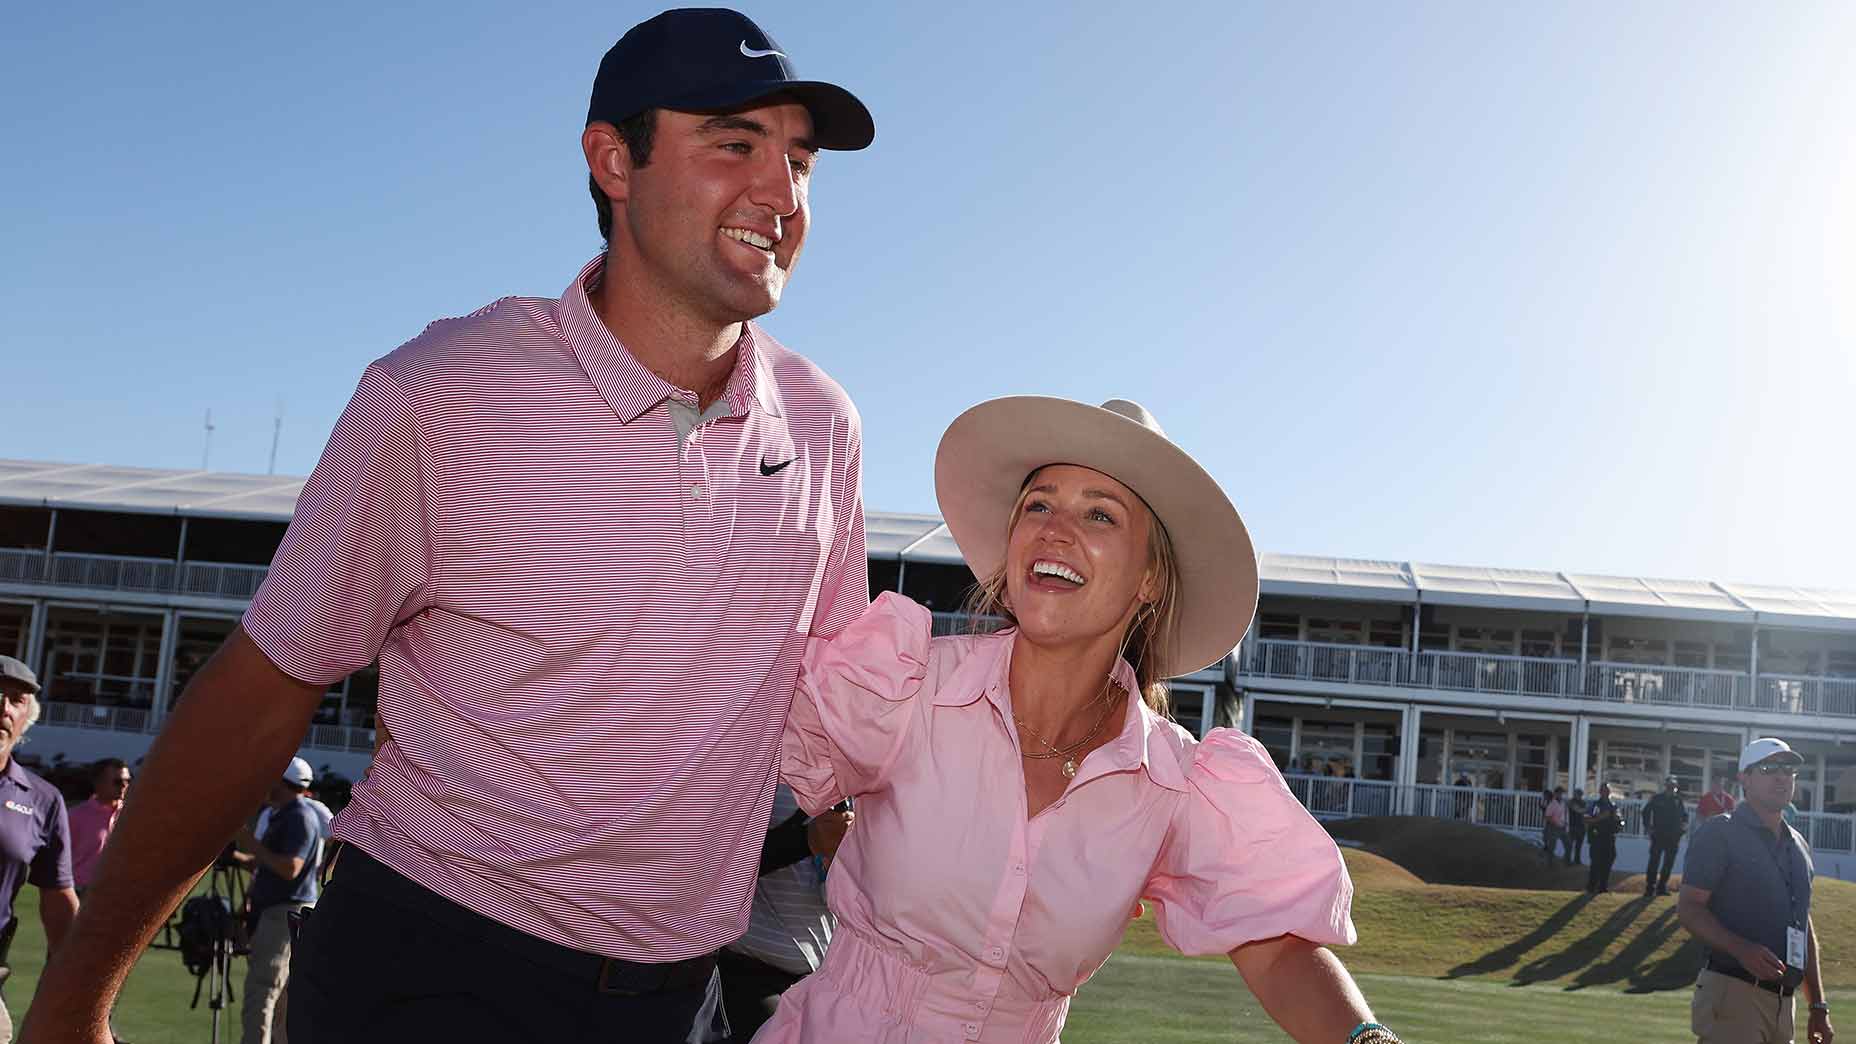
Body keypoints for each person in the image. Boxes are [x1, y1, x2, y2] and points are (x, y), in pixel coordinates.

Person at [24, 10, 875, 1044]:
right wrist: (76, 992)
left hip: (679, 994)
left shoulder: (825, 424)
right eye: (734, 143)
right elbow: (260, 690)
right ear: (613, 159)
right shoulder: (440, 392)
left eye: (800, 160)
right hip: (431, 966)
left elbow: (847, 714)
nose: (781, 194)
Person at [756, 397, 1399, 1044]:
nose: (1055, 529)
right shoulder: (904, 685)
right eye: (1038, 504)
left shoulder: (1176, 786)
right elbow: (730, 763)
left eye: (1099, 513)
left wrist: (1368, 1041)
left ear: (1149, 579)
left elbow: (1280, 950)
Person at [1678, 738, 1834, 1044]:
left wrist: (1818, 1005)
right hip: (1734, 991)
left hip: (1784, 1003)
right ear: (1744, 779)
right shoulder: (1720, 832)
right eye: (1768, 768)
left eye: (1788, 769)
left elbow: (1802, 925)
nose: (1781, 776)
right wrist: (1740, 948)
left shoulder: (1799, 844)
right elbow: (1689, 909)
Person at [715, 784, 848, 1042]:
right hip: (750, 977)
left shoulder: (845, 778)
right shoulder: (754, 766)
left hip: (821, 982)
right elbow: (720, 866)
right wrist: (806, 839)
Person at [0, 655, 82, 1043]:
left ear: (26, 717)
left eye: (16, 699)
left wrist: (88, 992)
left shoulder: (43, 801)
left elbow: (59, 902)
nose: (3, 707)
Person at [232, 757, 324, 1044]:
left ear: (282, 782)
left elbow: (289, 868)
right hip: (280, 911)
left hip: (281, 912)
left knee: (262, 991)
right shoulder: (289, 813)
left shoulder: (298, 816)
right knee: (280, 997)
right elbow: (272, 866)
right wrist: (236, 857)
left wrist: (250, 844)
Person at [67, 759, 131, 894]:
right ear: (98, 783)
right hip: (81, 892)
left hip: (119, 892)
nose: (124, 786)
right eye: (118, 782)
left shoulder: (133, 815)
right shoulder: (75, 816)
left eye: (127, 781)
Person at [1643, 775, 1687, 897]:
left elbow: (1684, 816)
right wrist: (1648, 827)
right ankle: (1649, 888)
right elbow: (1646, 812)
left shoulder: (1678, 800)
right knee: (1654, 861)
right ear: (1665, 786)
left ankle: (1661, 887)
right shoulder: (1657, 798)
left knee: (1669, 863)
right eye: (1669, 786)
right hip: (1658, 835)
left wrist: (1683, 827)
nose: (1671, 789)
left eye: (1673, 787)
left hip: (1673, 837)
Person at [1585, 784, 1621, 894]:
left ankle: (1603, 886)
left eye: (1607, 790)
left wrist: (1618, 821)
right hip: (1597, 837)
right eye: (1603, 790)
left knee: (1608, 861)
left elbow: (1620, 821)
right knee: (1596, 862)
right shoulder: (1596, 805)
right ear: (1600, 792)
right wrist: (1600, 817)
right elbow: (1587, 818)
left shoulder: (1613, 806)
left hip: (1609, 837)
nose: (1605, 792)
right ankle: (1591, 887)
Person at [1542, 788, 1566, 867]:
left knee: (1564, 843)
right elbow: (1547, 815)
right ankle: (1549, 861)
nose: (1561, 795)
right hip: (1552, 825)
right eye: (1559, 793)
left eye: (1561, 793)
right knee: (1551, 843)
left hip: (1559, 825)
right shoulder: (1551, 802)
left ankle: (1552, 859)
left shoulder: (1561, 802)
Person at [1564, 787, 1586, 865]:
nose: (1578, 796)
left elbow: (1582, 812)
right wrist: (1584, 810)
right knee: (1570, 845)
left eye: (1579, 794)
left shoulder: (1583, 802)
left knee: (1578, 846)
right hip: (1573, 826)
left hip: (1581, 826)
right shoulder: (1571, 802)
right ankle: (1567, 861)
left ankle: (1577, 860)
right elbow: (1579, 810)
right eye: (1577, 794)